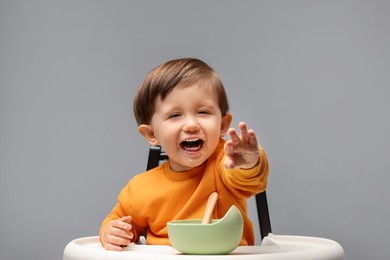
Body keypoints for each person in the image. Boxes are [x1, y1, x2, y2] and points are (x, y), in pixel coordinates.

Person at [100, 58, 269, 251]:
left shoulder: (224, 165)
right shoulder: (141, 189)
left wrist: (248, 162)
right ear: (152, 134)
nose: (191, 125)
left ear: (222, 125)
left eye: (203, 112)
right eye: (175, 115)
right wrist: (111, 233)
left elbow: (248, 178)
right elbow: (119, 222)